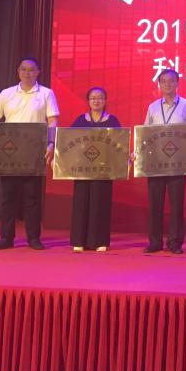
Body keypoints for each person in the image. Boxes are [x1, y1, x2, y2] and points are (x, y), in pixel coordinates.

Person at [0, 57, 59, 251]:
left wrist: (51, 142)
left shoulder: (46, 93)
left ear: (38, 72)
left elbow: (52, 120)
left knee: (32, 198)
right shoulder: (7, 93)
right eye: (23, 69)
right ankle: (6, 238)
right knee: (8, 197)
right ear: (18, 71)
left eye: (31, 69)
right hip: (8, 152)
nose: (27, 73)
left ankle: (33, 238)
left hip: (34, 151)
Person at [143, 68, 186, 254]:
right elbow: (146, 133)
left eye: (171, 81)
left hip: (178, 163)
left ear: (177, 83)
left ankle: (175, 243)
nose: (167, 84)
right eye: (164, 81)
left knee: (176, 205)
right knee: (155, 205)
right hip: (156, 162)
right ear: (159, 84)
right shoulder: (153, 107)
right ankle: (154, 242)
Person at [70, 86, 121, 253]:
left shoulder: (112, 121)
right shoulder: (80, 120)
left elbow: (119, 144)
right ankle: (79, 240)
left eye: (100, 98)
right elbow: (69, 142)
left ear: (105, 101)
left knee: (101, 203)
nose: (96, 101)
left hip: (104, 170)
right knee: (81, 202)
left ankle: (99, 241)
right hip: (82, 169)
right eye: (93, 98)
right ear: (88, 101)